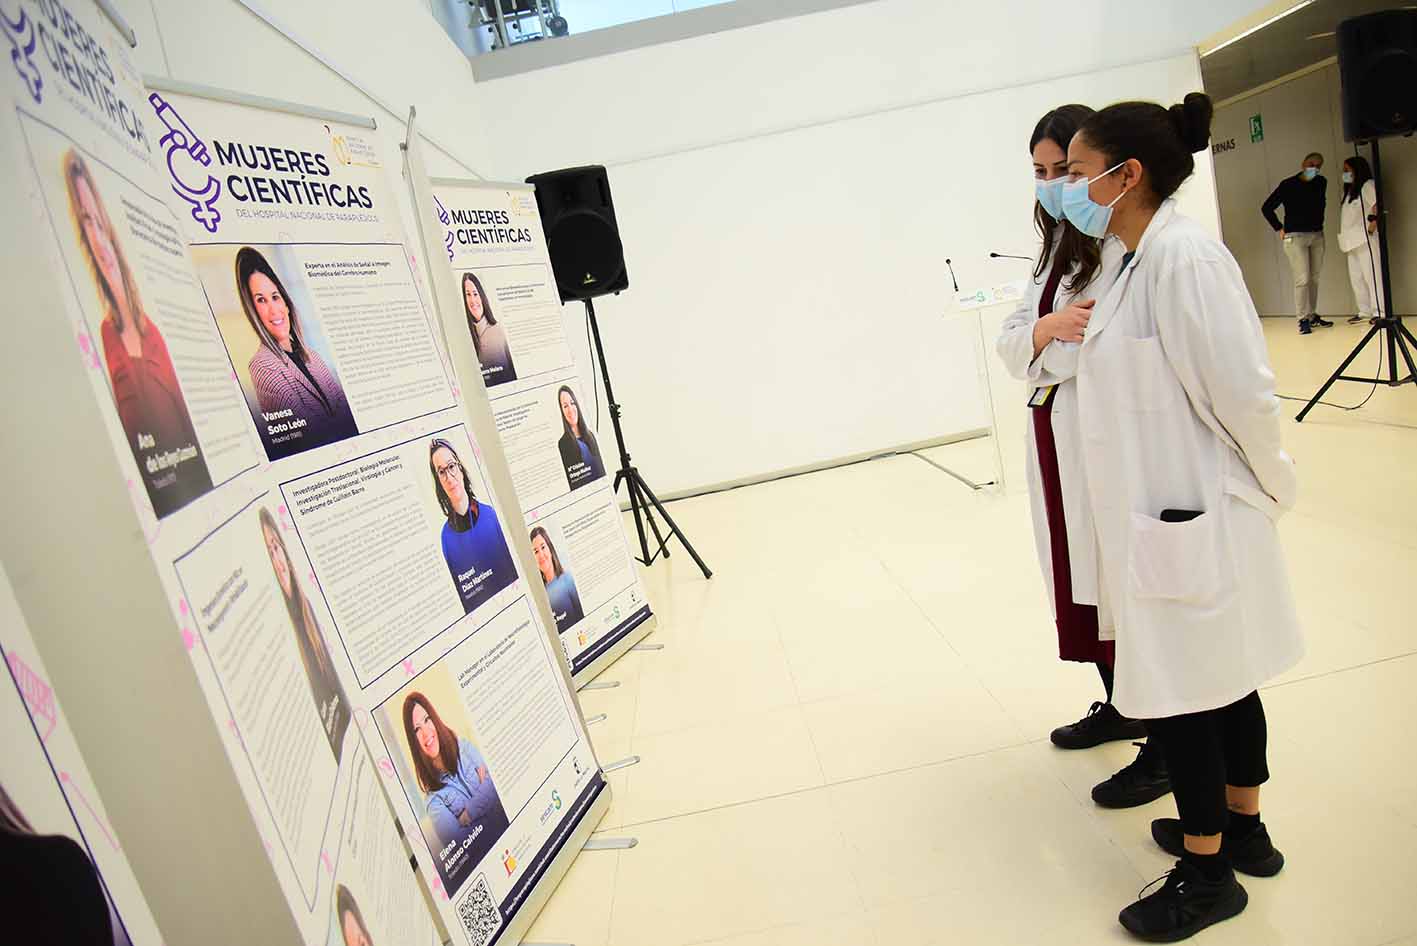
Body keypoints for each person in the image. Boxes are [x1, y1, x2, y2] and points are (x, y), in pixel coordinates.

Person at [1063, 93, 1303, 941]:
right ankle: (1243, 831)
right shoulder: (1131, 259)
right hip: (1168, 514)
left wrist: (1272, 484)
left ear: (1126, 175)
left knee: (1190, 694)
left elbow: (1242, 392)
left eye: (1075, 172)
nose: (1065, 188)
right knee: (1220, 677)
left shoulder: (1184, 259)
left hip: (1194, 511)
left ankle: (1206, 876)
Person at [996, 105, 1170, 810]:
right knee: (1081, 587)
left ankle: (1166, 743)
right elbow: (1015, 342)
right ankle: (1123, 706)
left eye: (1063, 171)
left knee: (1118, 591)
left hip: (1098, 441)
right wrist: (1044, 330)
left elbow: (1093, 348)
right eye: (1040, 172)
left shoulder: (1124, 249)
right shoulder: (1055, 247)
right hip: (1055, 436)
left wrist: (1043, 344)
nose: (1051, 185)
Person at [64, 150, 213, 518]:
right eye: (86, 222)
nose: (97, 237)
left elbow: (190, 433)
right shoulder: (105, 336)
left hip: (196, 496)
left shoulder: (154, 336)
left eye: (99, 220)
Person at [236, 247, 357, 453]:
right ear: (253, 312)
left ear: (286, 302)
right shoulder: (263, 367)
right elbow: (306, 436)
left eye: (275, 296)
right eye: (261, 300)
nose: (274, 309)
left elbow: (346, 410)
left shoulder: (312, 356)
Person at [259, 507, 350, 761]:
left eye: (276, 547)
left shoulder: (309, 612)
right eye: (269, 552)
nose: (277, 561)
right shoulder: (281, 638)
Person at [401, 692, 509, 858]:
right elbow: (461, 846)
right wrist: (487, 798)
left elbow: (497, 782)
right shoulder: (434, 801)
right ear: (413, 741)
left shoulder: (463, 747)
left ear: (434, 719)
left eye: (427, 719)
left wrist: (468, 814)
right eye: (417, 729)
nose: (426, 733)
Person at [430, 438, 517, 613]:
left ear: (461, 469)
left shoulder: (491, 516)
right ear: (438, 481)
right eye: (441, 472)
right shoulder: (446, 538)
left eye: (451, 466)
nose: (449, 477)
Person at [1261, 152, 1332, 334]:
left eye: (1318, 166)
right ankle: (1302, 318)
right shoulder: (1288, 185)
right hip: (1295, 237)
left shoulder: (1321, 182)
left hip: (1316, 235)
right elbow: (1267, 207)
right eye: (1311, 164)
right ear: (1303, 163)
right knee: (1302, 278)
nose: (1314, 168)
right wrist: (1279, 228)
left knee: (1314, 278)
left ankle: (1312, 314)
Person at [1338, 155, 1382, 325]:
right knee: (1357, 278)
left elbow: (1377, 206)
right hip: (1350, 242)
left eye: (1347, 170)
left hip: (1365, 239)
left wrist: (1371, 228)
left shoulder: (1367, 185)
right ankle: (1365, 311)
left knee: (1372, 275)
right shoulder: (1349, 191)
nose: (1345, 173)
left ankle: (1380, 311)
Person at [462, 272, 517, 386]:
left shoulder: (497, 331)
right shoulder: (465, 335)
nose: (472, 300)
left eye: (475, 294)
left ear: (482, 296)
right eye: (468, 294)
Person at [530, 526, 584, 632]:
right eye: (536, 551)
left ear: (550, 548)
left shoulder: (567, 580)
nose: (541, 555)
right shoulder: (538, 596)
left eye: (543, 547)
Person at [555, 386, 605, 490]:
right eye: (565, 406)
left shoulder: (590, 436)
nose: (570, 409)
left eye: (572, 403)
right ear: (562, 411)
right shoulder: (563, 444)